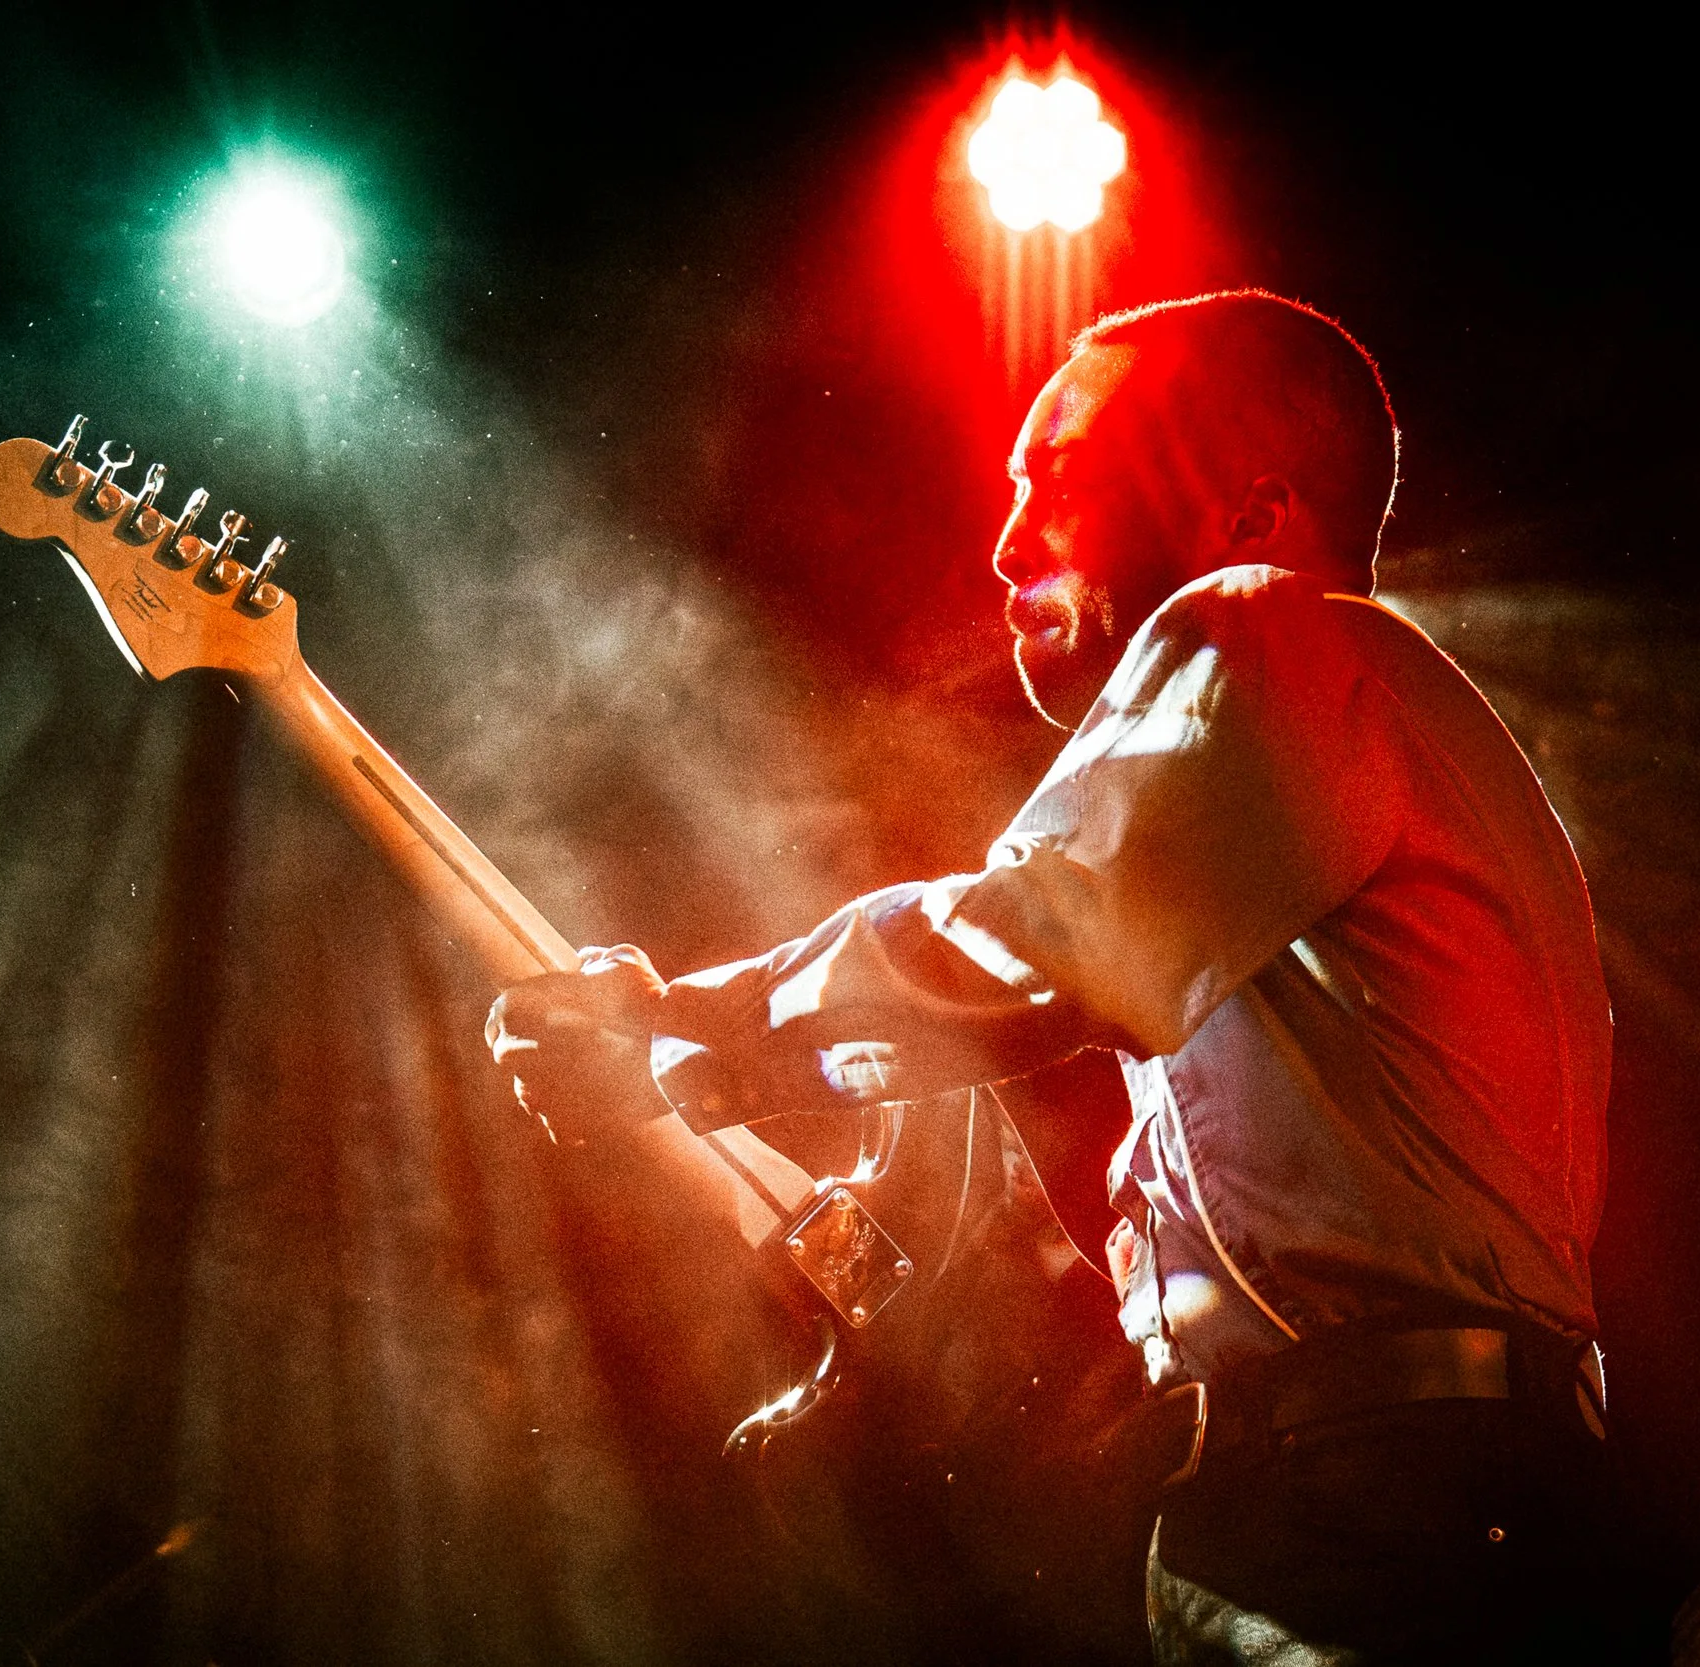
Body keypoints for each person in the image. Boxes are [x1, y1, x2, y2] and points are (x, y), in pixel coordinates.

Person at [491, 290, 1617, 1663]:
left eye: (1061, 474)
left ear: (1249, 515)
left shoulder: (1265, 624)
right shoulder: (1353, 756)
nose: (1009, 537)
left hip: (1385, 1503)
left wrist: (686, 1024)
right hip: (1418, 1489)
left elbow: (1037, 948)